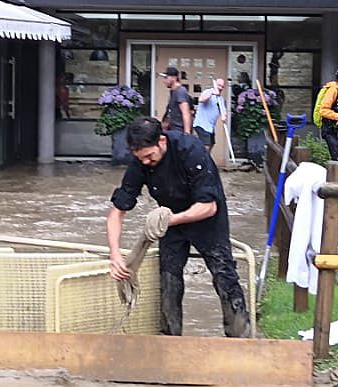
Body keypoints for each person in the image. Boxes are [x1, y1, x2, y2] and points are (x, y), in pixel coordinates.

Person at [107, 117, 251, 338]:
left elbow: (209, 207)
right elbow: (117, 212)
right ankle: (170, 338)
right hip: (170, 219)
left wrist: (169, 220)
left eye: (148, 156)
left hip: (206, 219)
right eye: (140, 158)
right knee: (168, 278)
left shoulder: (190, 150)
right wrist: (115, 255)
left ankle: (240, 337)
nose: (145, 162)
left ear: (161, 141)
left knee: (224, 274)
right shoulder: (140, 163)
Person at [160, 65, 194, 134]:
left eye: (166, 77)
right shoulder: (173, 91)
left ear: (174, 78)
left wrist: (187, 133)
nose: (164, 81)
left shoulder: (180, 91)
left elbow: (186, 112)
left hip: (179, 130)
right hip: (172, 129)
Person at [192, 82, 223, 151]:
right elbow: (201, 99)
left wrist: (224, 116)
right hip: (201, 125)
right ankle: (201, 161)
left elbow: (223, 111)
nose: (220, 88)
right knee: (206, 145)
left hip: (210, 127)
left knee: (211, 144)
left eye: (222, 86)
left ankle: (206, 160)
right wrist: (212, 92)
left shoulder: (220, 99)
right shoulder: (207, 92)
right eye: (219, 85)